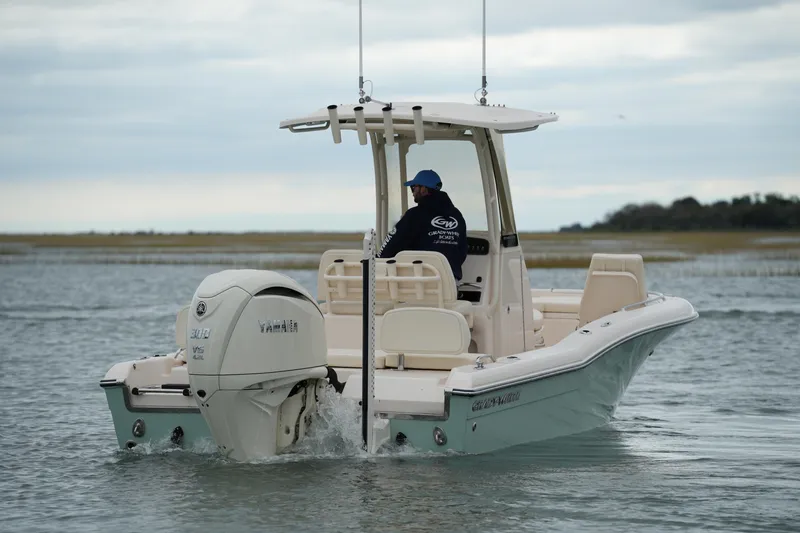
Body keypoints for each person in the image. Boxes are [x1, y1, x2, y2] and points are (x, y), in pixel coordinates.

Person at [378, 169, 468, 280]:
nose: (413, 192)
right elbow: (462, 251)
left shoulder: (414, 215)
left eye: (414, 187)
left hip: (421, 280)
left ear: (424, 189)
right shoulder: (457, 215)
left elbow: (390, 246)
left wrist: (378, 258)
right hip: (450, 281)